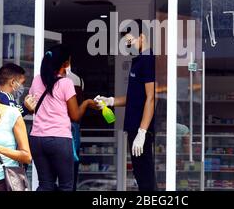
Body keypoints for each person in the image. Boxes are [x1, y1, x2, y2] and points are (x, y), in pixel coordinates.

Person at [95, 19, 156, 191]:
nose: (128, 44)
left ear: (142, 36)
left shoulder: (149, 60)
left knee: (146, 178)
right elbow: (134, 97)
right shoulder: (138, 61)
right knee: (140, 174)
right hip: (133, 126)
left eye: (130, 40)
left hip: (141, 128)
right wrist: (111, 101)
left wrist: (142, 131)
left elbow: (151, 97)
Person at [29, 44, 98, 191]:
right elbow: (75, 116)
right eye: (69, 61)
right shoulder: (66, 83)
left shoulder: (36, 80)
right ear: (65, 64)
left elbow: (31, 106)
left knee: (45, 185)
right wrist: (86, 103)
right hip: (58, 139)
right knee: (66, 186)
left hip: (37, 139)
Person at [64, 65, 85, 191]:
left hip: (69, 125)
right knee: (72, 165)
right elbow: (76, 113)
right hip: (72, 125)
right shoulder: (76, 81)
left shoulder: (75, 80)